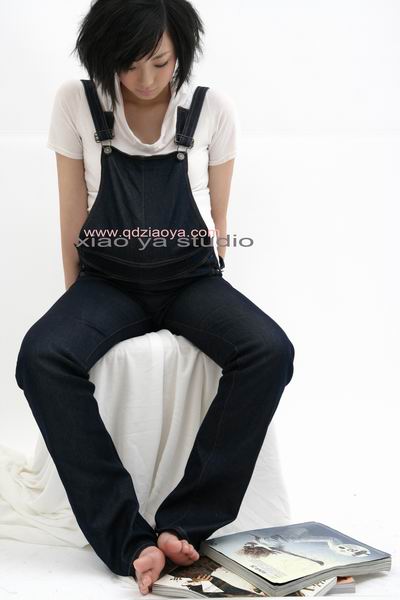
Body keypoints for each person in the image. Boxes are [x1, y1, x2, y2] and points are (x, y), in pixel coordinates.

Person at [14, 0, 295, 595]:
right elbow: (71, 213)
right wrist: (76, 310)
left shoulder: (212, 109)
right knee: (41, 356)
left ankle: (184, 523)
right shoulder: (76, 103)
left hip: (191, 280)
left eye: (160, 63)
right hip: (106, 283)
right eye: (128, 64)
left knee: (269, 351)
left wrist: (212, 265)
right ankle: (128, 538)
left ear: (181, 52)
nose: (145, 79)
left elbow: (220, 222)